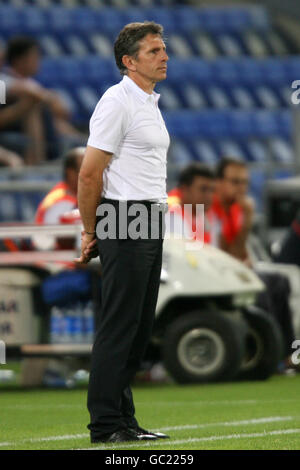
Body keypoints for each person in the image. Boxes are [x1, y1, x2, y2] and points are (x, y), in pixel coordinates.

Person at [76, 22, 170, 444]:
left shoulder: (148, 101)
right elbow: (89, 173)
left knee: (138, 326)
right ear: (129, 62)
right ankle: (105, 425)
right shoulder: (117, 102)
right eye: (153, 51)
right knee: (120, 325)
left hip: (148, 216)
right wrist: (90, 229)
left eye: (163, 48)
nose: (164, 56)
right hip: (124, 217)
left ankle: (124, 420)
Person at [211, 157, 297, 371]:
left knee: (279, 281)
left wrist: (246, 219)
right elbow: (223, 254)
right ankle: (267, 355)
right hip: (212, 274)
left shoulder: (235, 210)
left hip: (228, 270)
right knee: (262, 285)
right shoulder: (210, 209)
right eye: (235, 182)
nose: (241, 188)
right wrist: (247, 220)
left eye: (244, 183)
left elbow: (237, 255)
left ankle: (288, 354)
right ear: (219, 182)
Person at [0, 36, 86, 163]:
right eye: (34, 57)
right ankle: (36, 162)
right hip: (8, 126)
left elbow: (62, 112)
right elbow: (29, 92)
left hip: (21, 124)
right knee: (32, 105)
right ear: (20, 60)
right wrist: (49, 99)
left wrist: (48, 99)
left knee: (53, 119)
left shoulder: (27, 81)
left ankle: (82, 142)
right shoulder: (5, 78)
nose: (38, 61)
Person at [167, 163, 217, 243]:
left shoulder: (206, 214)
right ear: (184, 190)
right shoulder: (170, 217)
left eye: (211, 190)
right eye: (203, 189)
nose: (209, 196)